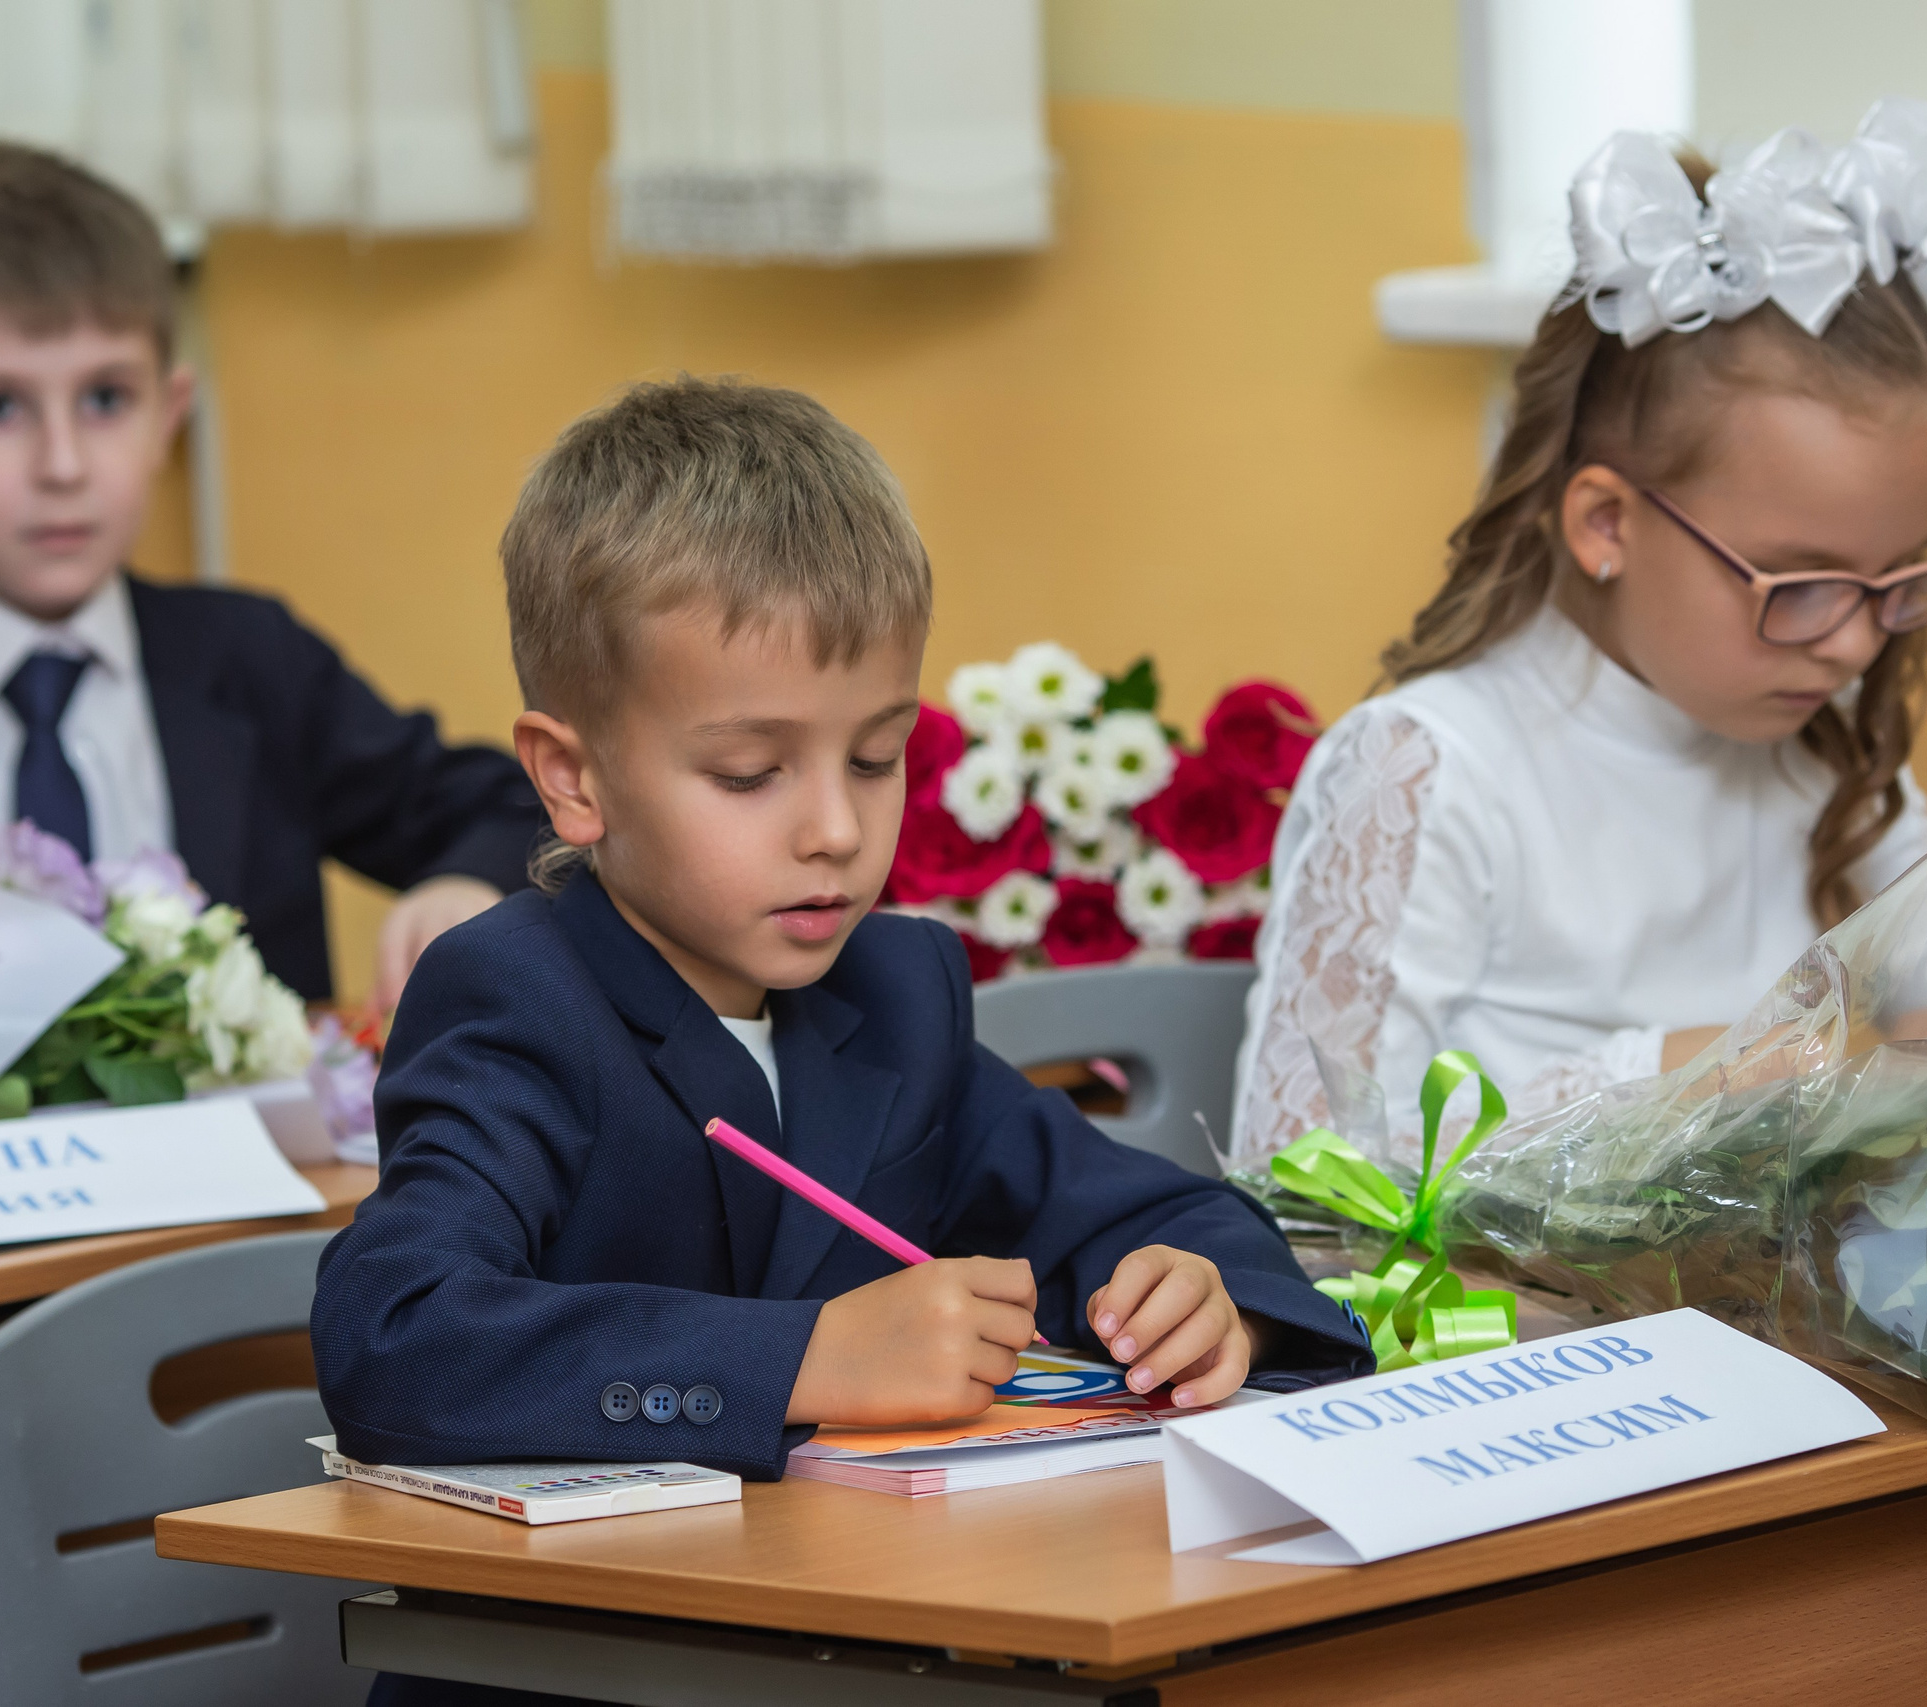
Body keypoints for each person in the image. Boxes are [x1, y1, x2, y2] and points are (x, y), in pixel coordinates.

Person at [314, 377, 1367, 1705]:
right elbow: (395, 1335)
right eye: (752, 772)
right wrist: (806, 1358)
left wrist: (1201, 1295)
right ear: (574, 776)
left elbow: (1140, 1205)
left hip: (873, 1653)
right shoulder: (515, 999)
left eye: (877, 757)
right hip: (587, 1678)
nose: (835, 827)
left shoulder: (894, 986)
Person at [1235, 99, 1927, 1160]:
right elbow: (1308, 1162)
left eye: (1895, 579)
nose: (1853, 646)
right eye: (1797, 581)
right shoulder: (1429, 766)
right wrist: (1659, 1082)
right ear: (1606, 523)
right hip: (1499, 1323)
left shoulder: (1823, 752)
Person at [0, 143, 542, 1006]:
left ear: (168, 414)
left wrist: (465, 888)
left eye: (106, 399)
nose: (63, 464)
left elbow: (528, 809)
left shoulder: (254, 662)